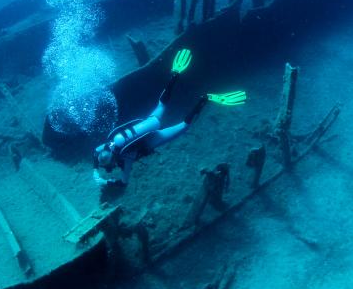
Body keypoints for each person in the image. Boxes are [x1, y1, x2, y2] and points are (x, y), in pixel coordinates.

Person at [92, 49, 246, 187]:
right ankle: (175, 75)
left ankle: (204, 99)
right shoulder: (108, 144)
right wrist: (95, 170)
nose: (109, 168)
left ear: (113, 159)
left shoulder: (126, 158)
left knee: (184, 126)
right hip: (149, 123)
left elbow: (124, 182)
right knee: (161, 105)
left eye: (108, 166)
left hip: (153, 138)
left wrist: (106, 182)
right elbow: (95, 151)